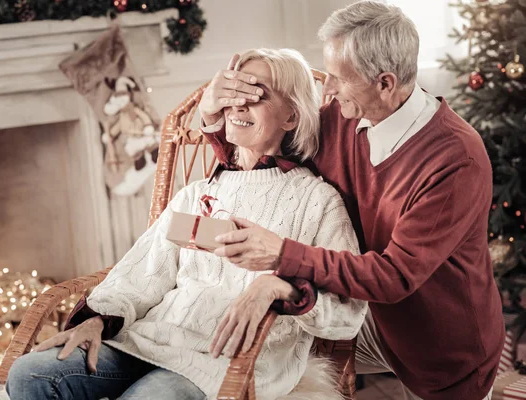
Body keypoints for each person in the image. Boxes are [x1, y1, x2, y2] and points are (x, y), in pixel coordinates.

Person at [5, 48, 367, 400]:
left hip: (229, 361)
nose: (239, 104)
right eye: (235, 92)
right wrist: (98, 320)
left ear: (291, 117)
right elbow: (144, 271)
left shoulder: (319, 202)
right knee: (29, 375)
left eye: (257, 95)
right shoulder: (195, 194)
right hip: (149, 341)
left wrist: (282, 288)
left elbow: (346, 314)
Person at [201, 2, 503, 400]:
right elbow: (267, 146)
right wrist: (212, 116)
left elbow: (395, 276)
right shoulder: (340, 119)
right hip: (365, 317)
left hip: (443, 349)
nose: (325, 90)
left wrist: (281, 256)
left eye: (339, 79)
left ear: (385, 83)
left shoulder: (455, 159)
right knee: (250, 350)